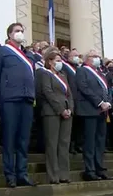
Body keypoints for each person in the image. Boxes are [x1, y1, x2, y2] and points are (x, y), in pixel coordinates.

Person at [0, 22, 37, 187]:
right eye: (17, 31)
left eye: (22, 31)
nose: (20, 33)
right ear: (9, 34)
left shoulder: (27, 55)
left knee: (23, 140)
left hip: (27, 100)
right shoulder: (2, 51)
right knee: (10, 138)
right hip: (9, 99)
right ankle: (9, 174)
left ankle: (22, 173)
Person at [75, 50, 113, 181]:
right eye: (94, 56)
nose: (98, 59)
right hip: (89, 110)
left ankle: (100, 168)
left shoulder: (100, 73)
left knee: (100, 141)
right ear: (87, 59)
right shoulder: (82, 71)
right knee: (90, 141)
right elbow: (84, 88)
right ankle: (90, 169)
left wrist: (108, 102)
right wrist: (100, 102)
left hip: (102, 112)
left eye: (98, 57)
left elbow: (107, 89)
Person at [36, 50, 73, 184]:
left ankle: (64, 174)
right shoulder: (45, 74)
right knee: (52, 144)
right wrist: (61, 109)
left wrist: (70, 109)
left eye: (60, 60)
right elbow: (47, 92)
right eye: (57, 60)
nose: (59, 63)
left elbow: (69, 94)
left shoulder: (63, 75)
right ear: (50, 62)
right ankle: (53, 175)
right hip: (51, 112)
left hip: (67, 113)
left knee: (64, 143)